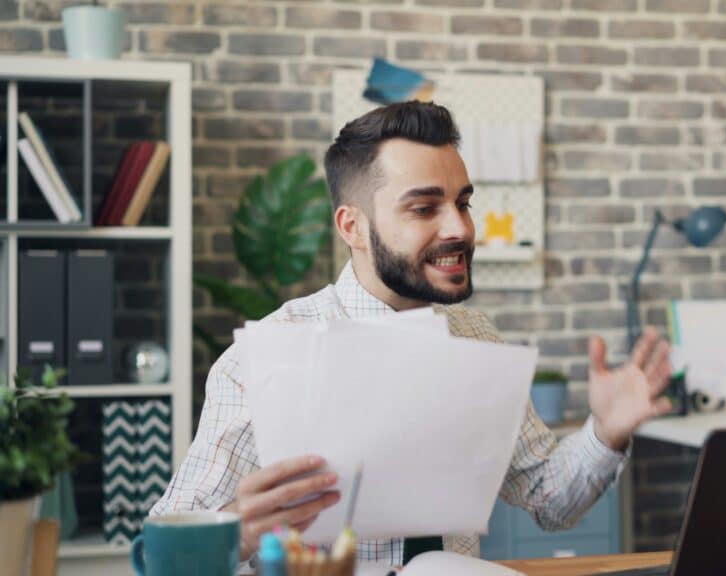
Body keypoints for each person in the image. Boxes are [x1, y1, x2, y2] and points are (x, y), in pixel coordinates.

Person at [152, 101, 673, 564]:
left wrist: (606, 432)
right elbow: (164, 554)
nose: (460, 229)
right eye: (425, 208)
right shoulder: (269, 355)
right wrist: (237, 532)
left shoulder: (476, 339)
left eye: (462, 203)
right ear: (351, 226)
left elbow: (548, 500)